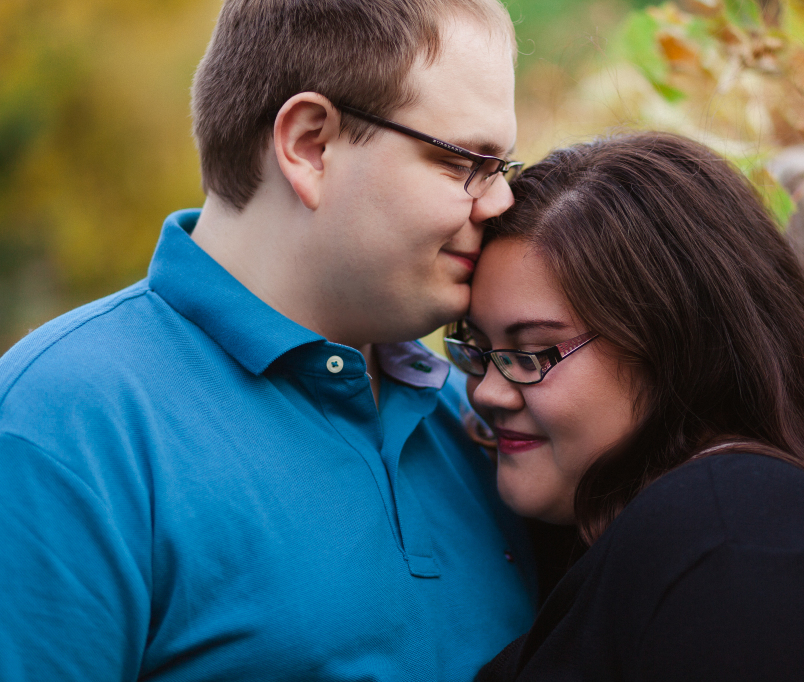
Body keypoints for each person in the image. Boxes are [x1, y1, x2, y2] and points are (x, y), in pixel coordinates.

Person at [0, 1, 536, 679]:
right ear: (310, 144)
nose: (499, 204)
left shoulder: (485, 418)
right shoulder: (64, 428)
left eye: (503, 169)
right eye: (467, 162)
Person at [443, 132, 804, 681]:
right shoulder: (691, 541)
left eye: (531, 352)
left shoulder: (747, 560)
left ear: (676, 347)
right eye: (477, 349)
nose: (487, 391)